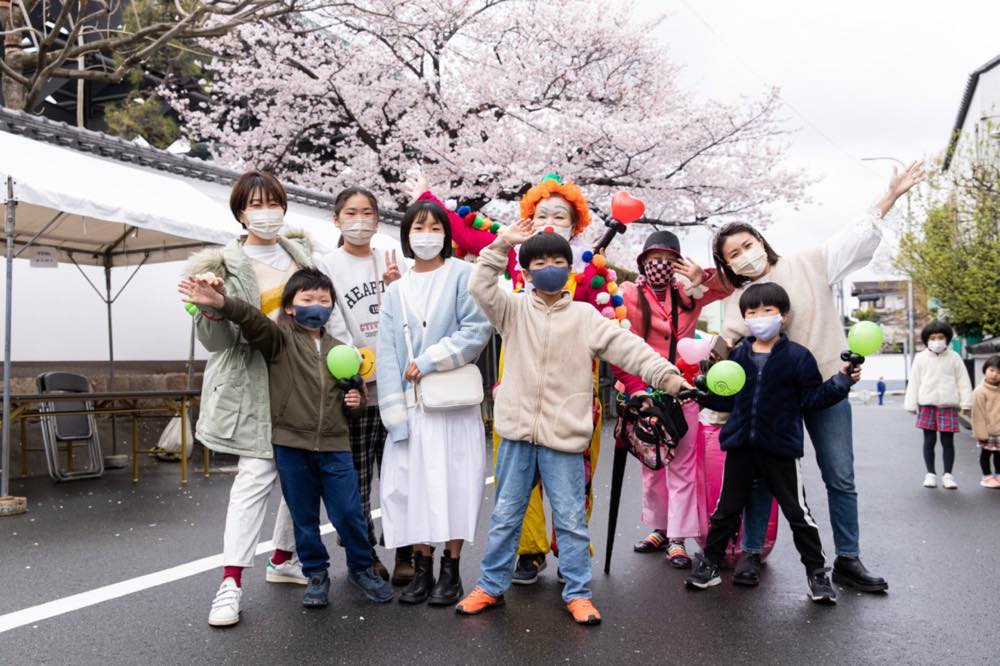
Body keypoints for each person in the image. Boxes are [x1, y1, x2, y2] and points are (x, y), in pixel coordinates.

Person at [457, 221, 690, 625]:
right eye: (539, 262)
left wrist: (670, 379)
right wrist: (502, 244)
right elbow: (480, 285)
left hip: (564, 439)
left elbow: (630, 349)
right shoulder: (511, 310)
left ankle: (578, 593)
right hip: (516, 435)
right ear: (527, 272)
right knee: (506, 517)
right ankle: (490, 586)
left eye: (557, 260)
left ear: (570, 268)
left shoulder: (586, 317)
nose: (549, 267)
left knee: (570, 521)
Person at [713, 160, 924, 592]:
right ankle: (751, 553)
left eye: (747, 244)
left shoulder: (809, 262)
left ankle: (848, 558)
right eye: (733, 254)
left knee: (839, 475)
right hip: (772, 401)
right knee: (760, 478)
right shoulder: (737, 300)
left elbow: (854, 237)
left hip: (827, 386)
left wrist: (890, 196)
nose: (744, 255)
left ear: (761, 241)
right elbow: (724, 349)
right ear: (728, 265)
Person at [409, 172, 611, 585]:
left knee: (577, 478)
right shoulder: (516, 252)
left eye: (560, 215)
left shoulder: (593, 270)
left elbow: (613, 332)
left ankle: (571, 549)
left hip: (574, 392)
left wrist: (634, 383)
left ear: (576, 224)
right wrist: (427, 197)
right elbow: (465, 233)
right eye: (542, 214)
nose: (550, 222)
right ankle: (529, 550)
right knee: (516, 477)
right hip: (519, 385)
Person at [180, 268, 394, 608]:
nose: (317, 305)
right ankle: (316, 575)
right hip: (292, 448)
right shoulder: (278, 340)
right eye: (307, 299)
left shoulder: (343, 350)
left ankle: (361, 568)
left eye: (324, 300)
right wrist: (221, 302)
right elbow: (250, 319)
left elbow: (353, 401)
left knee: (349, 514)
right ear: (291, 307)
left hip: (336, 447)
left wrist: (355, 402)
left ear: (332, 307)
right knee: (304, 520)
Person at [185, 170, 311, 627]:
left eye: (273, 202)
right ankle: (231, 581)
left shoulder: (303, 257)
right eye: (255, 204)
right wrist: (211, 308)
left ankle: (283, 557)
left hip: (300, 380)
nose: (266, 211)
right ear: (240, 213)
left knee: (301, 473)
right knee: (255, 477)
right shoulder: (218, 267)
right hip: (250, 382)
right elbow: (216, 344)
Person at [686, 283, 859, 604]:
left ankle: (817, 575)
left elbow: (812, 399)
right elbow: (727, 401)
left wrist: (841, 381)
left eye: (767, 311)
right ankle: (709, 565)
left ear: (784, 316)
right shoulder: (737, 355)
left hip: (780, 449)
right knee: (725, 511)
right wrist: (702, 394)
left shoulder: (798, 357)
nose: (760, 318)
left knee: (798, 514)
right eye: (752, 312)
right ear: (744, 318)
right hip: (740, 446)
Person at [376, 200, 492, 606]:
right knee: (412, 487)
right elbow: (387, 352)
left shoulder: (463, 275)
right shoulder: (396, 291)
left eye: (435, 227)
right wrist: (393, 414)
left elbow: (477, 330)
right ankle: (422, 566)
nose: (426, 236)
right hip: (413, 407)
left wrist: (428, 361)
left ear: (446, 234)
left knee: (456, 482)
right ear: (407, 236)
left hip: (453, 404)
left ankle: (451, 569)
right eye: (418, 228)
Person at [611, 231, 731, 568]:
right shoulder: (628, 293)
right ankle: (659, 528)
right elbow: (616, 337)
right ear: (642, 263)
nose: (659, 265)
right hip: (642, 391)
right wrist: (634, 388)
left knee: (683, 466)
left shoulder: (690, 292)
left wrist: (702, 276)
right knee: (652, 465)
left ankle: (678, 539)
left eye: (667, 259)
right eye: (653, 259)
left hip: (683, 390)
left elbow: (729, 285)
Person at [315, 187, 410, 584]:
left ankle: (405, 548)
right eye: (351, 213)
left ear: (377, 219)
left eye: (367, 212)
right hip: (354, 389)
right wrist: (355, 368)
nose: (359, 220)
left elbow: (408, 316)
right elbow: (330, 321)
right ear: (336, 219)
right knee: (356, 479)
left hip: (395, 389)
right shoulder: (324, 264)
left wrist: (395, 288)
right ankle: (363, 553)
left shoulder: (391, 259)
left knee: (401, 474)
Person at [904, 321, 973, 489]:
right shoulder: (920, 358)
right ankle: (930, 474)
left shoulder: (954, 357)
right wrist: (911, 404)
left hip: (948, 405)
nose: (937, 341)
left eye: (940, 337)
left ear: (947, 338)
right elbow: (914, 382)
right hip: (927, 404)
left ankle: (948, 475)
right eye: (932, 338)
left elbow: (963, 381)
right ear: (926, 340)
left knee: (947, 441)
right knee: (929, 441)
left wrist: (966, 403)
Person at [972, 355, 1000, 489]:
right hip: (987, 431)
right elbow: (978, 414)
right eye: (992, 370)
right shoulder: (980, 391)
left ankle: (998, 475)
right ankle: (987, 476)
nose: (994, 375)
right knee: (986, 454)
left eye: (999, 372)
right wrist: (981, 434)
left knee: (999, 455)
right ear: (985, 370)